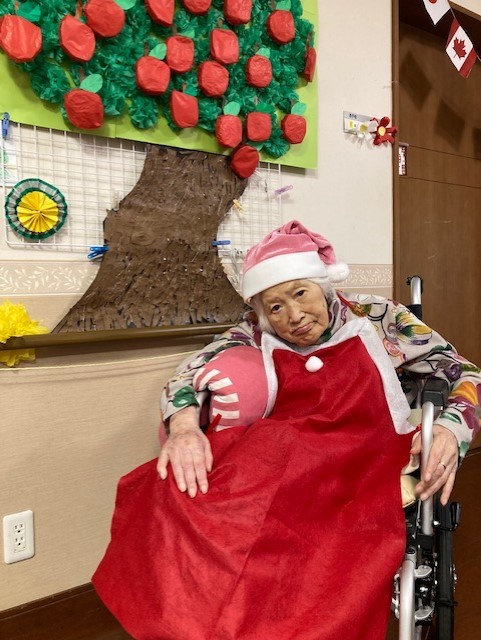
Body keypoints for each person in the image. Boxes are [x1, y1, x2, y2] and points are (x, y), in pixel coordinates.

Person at [93, 220, 481, 640]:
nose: (294, 317)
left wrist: (450, 429)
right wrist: (185, 427)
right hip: (282, 447)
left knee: (321, 543)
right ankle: (188, 618)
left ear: (323, 285)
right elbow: (188, 374)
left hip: (363, 452)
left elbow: (465, 372)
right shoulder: (253, 330)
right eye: (275, 307)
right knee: (180, 490)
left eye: (300, 293)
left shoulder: (379, 317)